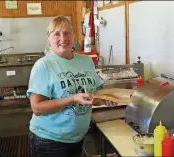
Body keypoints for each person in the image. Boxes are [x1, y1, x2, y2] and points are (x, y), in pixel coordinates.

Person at [27, 16, 117, 157]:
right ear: (49, 38)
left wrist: (102, 99)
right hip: (49, 141)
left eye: (67, 33)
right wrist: (72, 99)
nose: (63, 38)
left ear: (73, 35)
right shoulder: (44, 65)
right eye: (57, 33)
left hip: (77, 139)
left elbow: (93, 94)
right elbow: (37, 108)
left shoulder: (86, 61)